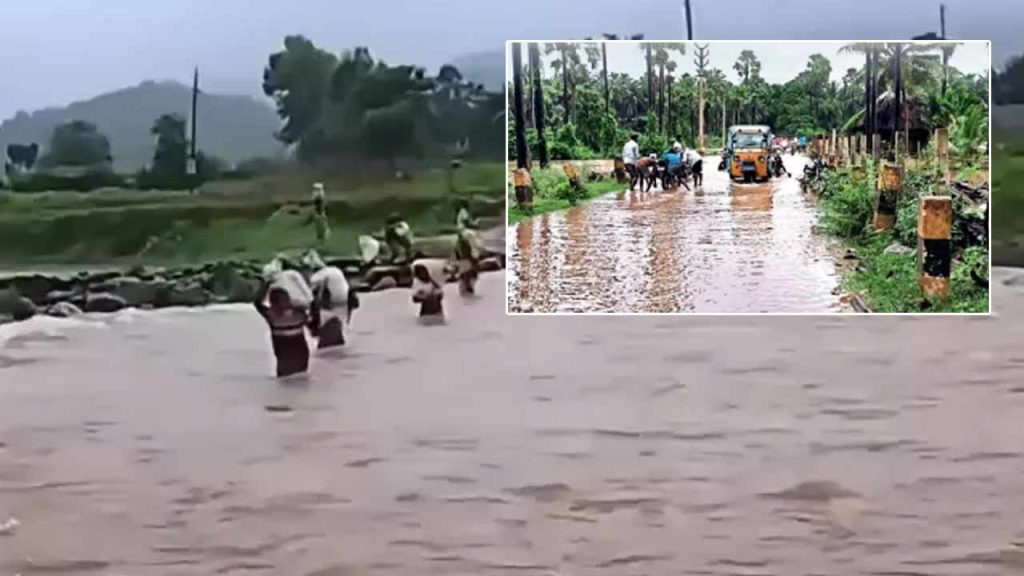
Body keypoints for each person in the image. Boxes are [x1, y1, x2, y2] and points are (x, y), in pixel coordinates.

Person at [254, 280, 318, 378]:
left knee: (285, 380)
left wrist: (265, 286)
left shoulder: (272, 315)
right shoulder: (298, 313)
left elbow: (257, 302)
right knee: (299, 380)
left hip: (286, 356)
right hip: (299, 355)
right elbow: (313, 325)